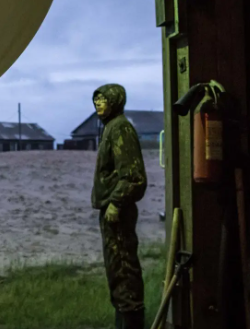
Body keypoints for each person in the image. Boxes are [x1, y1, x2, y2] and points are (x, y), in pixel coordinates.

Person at [91, 84, 148, 329]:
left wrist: (115, 202)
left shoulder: (120, 128)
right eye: (96, 100)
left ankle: (131, 324)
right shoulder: (111, 128)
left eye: (103, 99)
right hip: (112, 211)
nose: (98, 103)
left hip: (118, 211)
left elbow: (134, 176)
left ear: (115, 101)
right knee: (117, 270)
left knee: (124, 270)